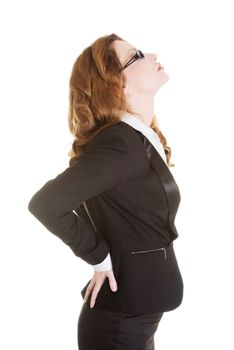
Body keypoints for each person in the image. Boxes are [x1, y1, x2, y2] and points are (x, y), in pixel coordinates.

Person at [27, 33, 184, 350]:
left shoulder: (137, 136)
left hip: (134, 318)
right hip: (119, 328)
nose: (151, 54)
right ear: (117, 84)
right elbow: (46, 204)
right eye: (136, 56)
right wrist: (98, 256)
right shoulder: (121, 143)